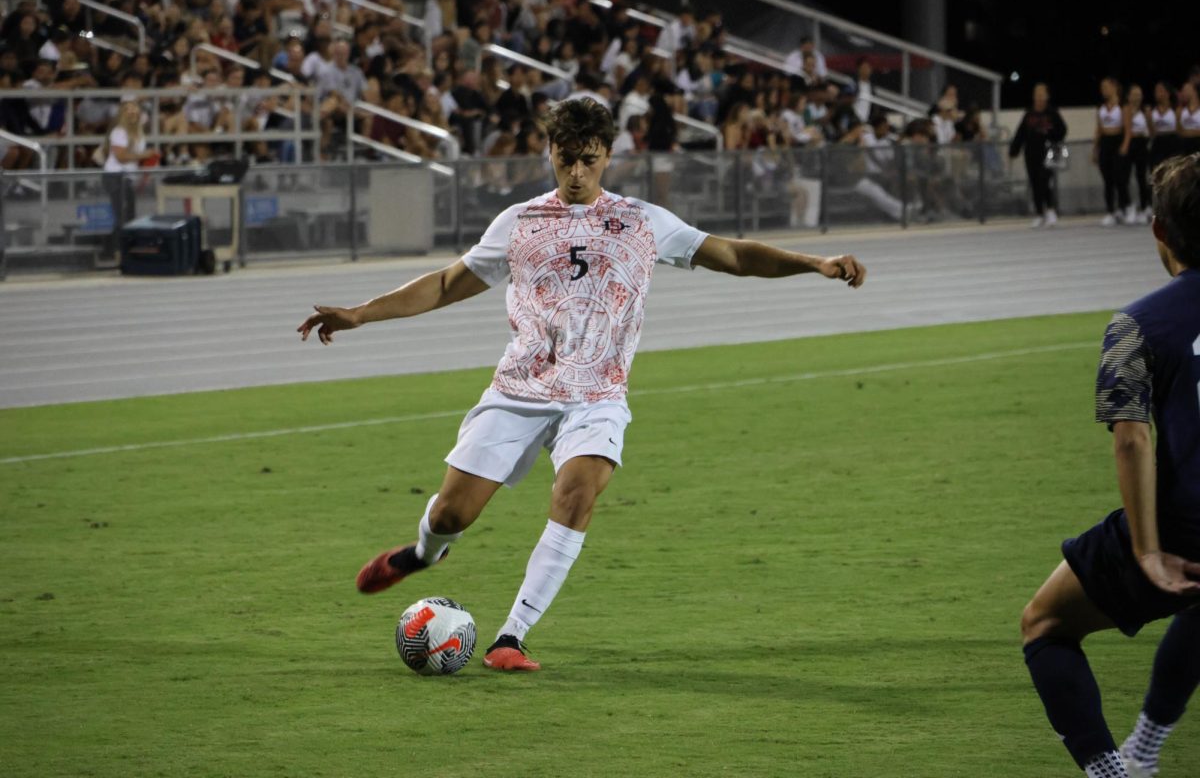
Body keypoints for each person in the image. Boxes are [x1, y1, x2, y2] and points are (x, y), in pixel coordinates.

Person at [296, 99, 867, 672]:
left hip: (597, 398)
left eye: (588, 161)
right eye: (566, 159)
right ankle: (422, 554)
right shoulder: (519, 223)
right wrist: (360, 313)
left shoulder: (645, 222)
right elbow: (446, 284)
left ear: (608, 157)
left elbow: (735, 255)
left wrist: (812, 263)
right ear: (550, 153)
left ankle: (511, 637)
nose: (576, 173)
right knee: (451, 515)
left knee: (576, 495)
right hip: (520, 390)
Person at [1019, 153, 1200, 778]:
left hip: (1185, 526)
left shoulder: (1136, 324)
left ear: (1157, 230)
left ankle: (1111, 772)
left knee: (1044, 624)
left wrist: (1148, 550)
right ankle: (1146, 748)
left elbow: (1131, 439)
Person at [101, 101, 160, 254]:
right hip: (115, 176)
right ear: (122, 114)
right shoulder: (119, 132)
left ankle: (118, 249)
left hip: (128, 177)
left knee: (129, 215)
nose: (132, 113)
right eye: (128, 111)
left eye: (135, 111)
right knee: (122, 215)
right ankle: (116, 250)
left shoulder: (140, 134)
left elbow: (134, 158)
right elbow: (120, 157)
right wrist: (144, 155)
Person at [1009, 82, 1067, 228]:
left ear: (1047, 96)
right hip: (1031, 153)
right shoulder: (1029, 113)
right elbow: (1020, 133)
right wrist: (1014, 150)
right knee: (1034, 182)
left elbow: (1062, 130)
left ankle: (1051, 210)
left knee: (1045, 181)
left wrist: (1049, 134)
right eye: (1036, 94)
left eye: (1042, 94)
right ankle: (1040, 213)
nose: (1039, 97)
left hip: (1049, 152)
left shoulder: (1052, 112)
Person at [1094, 77, 1130, 226]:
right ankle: (1111, 211)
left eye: (1106, 87)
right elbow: (1099, 129)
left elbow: (1128, 129)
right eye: (1102, 87)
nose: (1103, 90)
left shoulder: (1123, 106)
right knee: (1107, 180)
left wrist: (1124, 145)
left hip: (1118, 141)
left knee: (1119, 177)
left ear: (1114, 87)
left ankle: (1126, 206)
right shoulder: (1101, 107)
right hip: (1105, 143)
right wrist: (1095, 148)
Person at [1119, 84, 1151, 225]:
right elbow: (1127, 129)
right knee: (1123, 177)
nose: (1137, 97)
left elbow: (1151, 129)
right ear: (1128, 96)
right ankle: (1129, 207)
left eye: (1139, 94)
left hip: (1141, 144)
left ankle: (1145, 208)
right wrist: (1125, 145)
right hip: (1129, 143)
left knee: (1141, 177)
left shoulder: (1145, 110)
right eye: (1134, 94)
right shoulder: (1126, 109)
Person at [1148, 82, 1179, 173]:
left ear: (1167, 93)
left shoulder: (1176, 109)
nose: (1157, 93)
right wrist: (1149, 119)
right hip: (1157, 142)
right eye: (1156, 91)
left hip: (1172, 142)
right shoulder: (1151, 110)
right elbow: (1151, 133)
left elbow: (1179, 130)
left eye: (1160, 90)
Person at [1179, 81, 1200, 156]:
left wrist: (1187, 132)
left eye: (1185, 90)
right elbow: (1178, 131)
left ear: (1194, 91)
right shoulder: (1181, 111)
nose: (1182, 93)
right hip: (1185, 148)